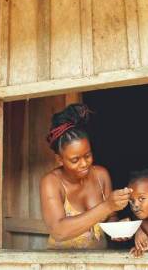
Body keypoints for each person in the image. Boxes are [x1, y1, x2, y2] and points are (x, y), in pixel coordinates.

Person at [40, 103, 132, 249]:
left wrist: (117, 229)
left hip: (99, 262)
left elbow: (110, 216)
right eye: (75, 160)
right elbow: (58, 231)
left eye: (87, 155)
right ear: (60, 159)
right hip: (61, 265)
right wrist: (107, 205)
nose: (84, 164)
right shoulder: (52, 182)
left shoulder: (101, 175)